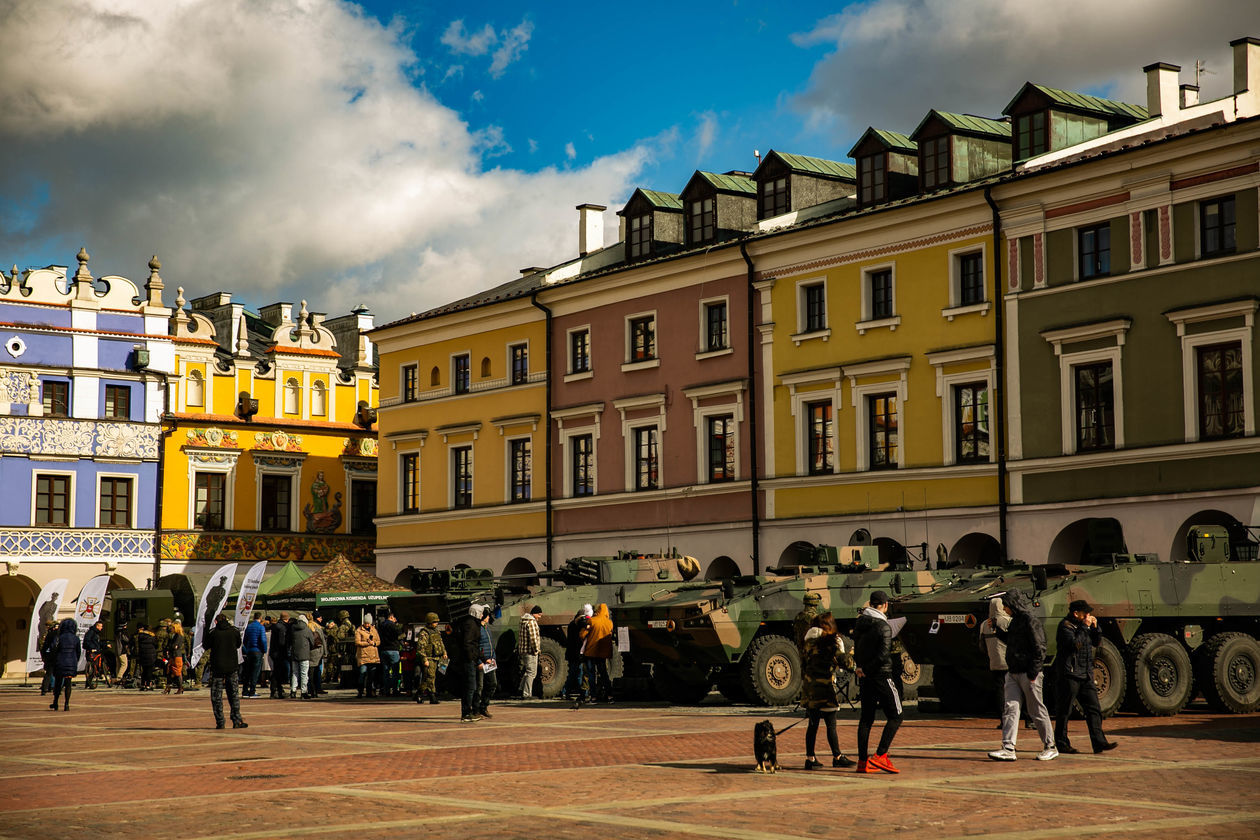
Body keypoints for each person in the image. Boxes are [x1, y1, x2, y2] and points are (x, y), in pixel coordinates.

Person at [988, 588, 1057, 762]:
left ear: (1013, 604)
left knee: (1036, 710)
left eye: (1006, 605)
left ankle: (1050, 746)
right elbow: (1011, 641)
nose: (1004, 609)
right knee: (1010, 708)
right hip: (1014, 671)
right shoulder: (1016, 621)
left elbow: (1039, 647)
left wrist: (1034, 672)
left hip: (1028, 673)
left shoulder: (1029, 620)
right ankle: (1008, 747)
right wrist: (997, 630)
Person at [1054, 599, 1117, 755]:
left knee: (1094, 709)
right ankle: (1061, 743)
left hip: (1086, 673)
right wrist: (1085, 627)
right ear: (1076, 614)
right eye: (1086, 613)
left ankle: (1099, 742)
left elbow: (1096, 642)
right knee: (1065, 710)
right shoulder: (1065, 627)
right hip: (1070, 673)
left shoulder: (1084, 627)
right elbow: (1075, 645)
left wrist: (1095, 629)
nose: (1089, 616)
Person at [853, 591, 904, 774]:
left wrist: (861, 668)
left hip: (865, 677)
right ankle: (880, 755)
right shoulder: (883, 626)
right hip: (882, 675)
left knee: (866, 719)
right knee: (896, 715)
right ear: (884, 605)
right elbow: (883, 655)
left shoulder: (860, 623)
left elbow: (857, 649)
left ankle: (862, 762)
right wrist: (867, 669)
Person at [801, 612, 856, 770]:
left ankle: (810, 758)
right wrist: (852, 658)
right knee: (831, 724)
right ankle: (837, 756)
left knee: (812, 725)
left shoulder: (807, 642)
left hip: (809, 687)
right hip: (825, 687)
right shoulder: (831, 640)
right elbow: (845, 662)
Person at [206, 613, 247, 729]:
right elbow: (238, 645)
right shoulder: (234, 631)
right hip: (232, 667)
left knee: (216, 696)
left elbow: (206, 645)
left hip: (217, 667)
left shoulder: (213, 633)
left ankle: (220, 721)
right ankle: (237, 720)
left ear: (216, 621)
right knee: (233, 695)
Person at [583, 603, 614, 703]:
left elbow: (582, 635)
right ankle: (609, 696)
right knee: (604, 674)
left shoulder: (591, 621)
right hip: (603, 653)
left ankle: (593, 697)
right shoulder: (609, 623)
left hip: (591, 652)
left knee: (591, 675)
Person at [457, 605, 484, 721]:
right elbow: (469, 643)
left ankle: (470, 711)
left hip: (471, 658)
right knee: (470, 686)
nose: (482, 615)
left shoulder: (472, 623)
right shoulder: (470, 624)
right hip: (469, 660)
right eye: (481, 613)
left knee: (472, 686)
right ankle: (466, 713)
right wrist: (472, 657)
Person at [48, 617, 81, 711]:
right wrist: (74, 661)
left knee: (58, 683)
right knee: (68, 683)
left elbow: (53, 649)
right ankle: (67, 704)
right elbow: (78, 652)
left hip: (60, 662)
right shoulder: (76, 639)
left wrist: (53, 660)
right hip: (71, 663)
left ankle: (56, 702)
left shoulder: (58, 638)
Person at [416, 612, 447, 705]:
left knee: (427, 678)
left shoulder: (436, 632)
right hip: (429, 658)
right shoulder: (424, 633)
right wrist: (424, 659)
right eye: (434, 622)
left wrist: (444, 653)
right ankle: (432, 696)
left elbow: (440, 643)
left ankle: (419, 694)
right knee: (430, 677)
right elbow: (421, 647)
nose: (436, 623)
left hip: (436, 657)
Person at [564, 606, 591, 703]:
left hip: (572, 653)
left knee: (573, 673)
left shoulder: (572, 624)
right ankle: (583, 694)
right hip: (576, 653)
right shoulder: (577, 625)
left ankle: (566, 692)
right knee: (578, 673)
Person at [516, 606, 543, 699]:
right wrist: (537, 650)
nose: (539, 617)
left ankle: (520, 689)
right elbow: (533, 639)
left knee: (528, 671)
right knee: (531, 673)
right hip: (530, 651)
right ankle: (527, 694)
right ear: (534, 613)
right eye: (539, 614)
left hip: (524, 650)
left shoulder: (523, 621)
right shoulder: (531, 622)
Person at [476, 608, 498, 718]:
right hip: (481, 662)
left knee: (492, 684)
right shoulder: (478, 629)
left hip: (490, 662)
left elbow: (491, 645)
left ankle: (484, 706)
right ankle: (476, 709)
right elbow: (476, 647)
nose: (489, 617)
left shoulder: (487, 629)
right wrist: (480, 661)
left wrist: (493, 657)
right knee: (479, 687)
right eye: (487, 615)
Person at [355, 613, 381, 698]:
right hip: (363, 656)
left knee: (371, 676)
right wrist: (367, 643)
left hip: (373, 657)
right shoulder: (359, 630)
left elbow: (378, 641)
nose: (367, 624)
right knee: (362, 674)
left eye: (369, 623)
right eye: (366, 623)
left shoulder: (374, 630)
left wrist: (374, 643)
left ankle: (370, 692)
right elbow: (357, 642)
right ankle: (360, 691)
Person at [242, 612, 267, 698]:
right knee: (255, 672)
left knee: (247, 671)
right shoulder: (261, 627)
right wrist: (264, 650)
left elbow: (244, 640)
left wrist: (246, 649)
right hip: (258, 651)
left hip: (249, 651)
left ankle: (245, 690)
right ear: (261, 618)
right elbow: (263, 640)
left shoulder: (248, 627)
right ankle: (252, 691)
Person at [289, 613, 313, 700]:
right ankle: (303, 692)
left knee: (294, 673)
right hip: (304, 654)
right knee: (304, 674)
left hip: (294, 654)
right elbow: (312, 641)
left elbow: (289, 641)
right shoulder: (307, 629)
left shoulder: (293, 629)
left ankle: (293, 691)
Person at [378, 612, 402, 696]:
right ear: (391, 617)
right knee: (395, 671)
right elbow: (399, 635)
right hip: (393, 649)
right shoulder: (393, 626)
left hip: (383, 650)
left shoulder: (381, 625)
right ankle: (395, 690)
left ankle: (386, 690)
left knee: (386, 671)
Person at [269, 611, 290, 699]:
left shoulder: (276, 626)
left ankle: (277, 689)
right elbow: (282, 642)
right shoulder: (282, 627)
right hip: (279, 653)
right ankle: (276, 690)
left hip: (274, 651)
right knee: (278, 672)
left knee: (276, 671)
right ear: (287, 619)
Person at [164, 621, 186, 694]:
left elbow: (175, 646)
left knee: (177, 671)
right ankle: (169, 686)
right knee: (170, 670)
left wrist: (169, 647)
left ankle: (180, 687)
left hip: (176, 655)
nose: (171, 629)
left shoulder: (178, 636)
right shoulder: (176, 635)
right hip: (173, 655)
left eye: (173, 628)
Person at [135, 622, 158, 691]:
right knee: (149, 671)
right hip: (151, 655)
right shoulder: (152, 637)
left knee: (144, 670)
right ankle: (148, 684)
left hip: (142, 655)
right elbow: (156, 645)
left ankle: (142, 684)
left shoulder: (139, 636)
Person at [307, 614, 325, 698]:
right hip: (318, 651)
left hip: (309, 652)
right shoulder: (318, 627)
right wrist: (325, 652)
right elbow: (323, 641)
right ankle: (317, 688)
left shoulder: (306, 627)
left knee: (310, 672)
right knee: (317, 671)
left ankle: (311, 689)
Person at [39, 621, 59, 695]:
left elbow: (45, 646)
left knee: (48, 673)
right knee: (57, 674)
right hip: (57, 656)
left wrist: (44, 655)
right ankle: (56, 688)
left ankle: (45, 689)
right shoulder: (62, 634)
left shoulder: (49, 634)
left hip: (50, 656)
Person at [83, 620, 104, 689]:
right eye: (101, 626)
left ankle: (88, 683)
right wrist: (91, 647)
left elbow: (97, 643)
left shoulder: (96, 633)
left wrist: (105, 645)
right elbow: (87, 641)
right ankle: (89, 682)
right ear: (97, 626)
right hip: (91, 651)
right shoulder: (91, 632)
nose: (102, 628)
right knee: (92, 666)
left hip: (96, 651)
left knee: (94, 667)